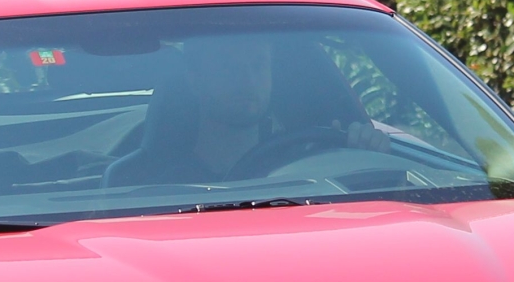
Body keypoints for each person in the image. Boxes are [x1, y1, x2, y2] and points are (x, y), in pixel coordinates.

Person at [108, 34, 386, 186]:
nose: (248, 81)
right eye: (229, 68)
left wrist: (369, 159)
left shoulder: (309, 166)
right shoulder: (145, 184)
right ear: (195, 79)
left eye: (258, 66)